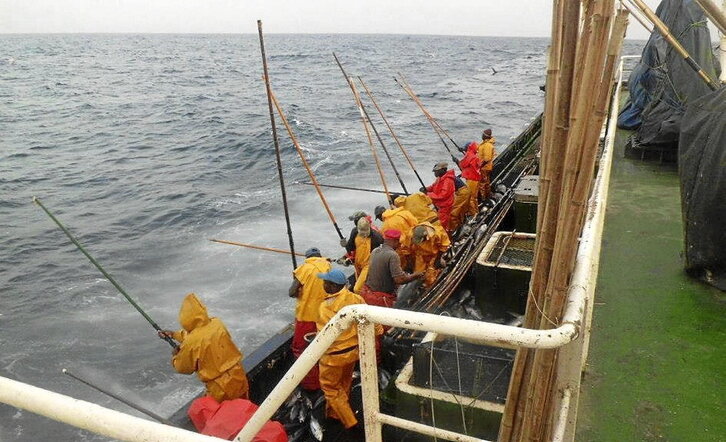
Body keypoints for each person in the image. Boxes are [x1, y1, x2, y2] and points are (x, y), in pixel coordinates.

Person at [316, 269, 380, 430]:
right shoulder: (356, 298)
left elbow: (323, 336)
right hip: (353, 352)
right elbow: (372, 321)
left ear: (332, 286)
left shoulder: (325, 307)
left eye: (325, 282)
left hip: (333, 358)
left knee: (330, 388)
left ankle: (350, 422)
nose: (323, 284)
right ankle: (334, 413)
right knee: (344, 382)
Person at [159, 293, 249, 402]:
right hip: (238, 375)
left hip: (220, 387)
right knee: (243, 406)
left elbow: (183, 368)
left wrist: (175, 356)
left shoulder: (191, 342)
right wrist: (174, 335)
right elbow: (201, 337)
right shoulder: (216, 323)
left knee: (224, 413)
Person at [288, 247, 331, 390]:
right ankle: (326, 380)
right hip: (325, 315)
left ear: (307, 258)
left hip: (307, 316)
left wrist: (297, 283)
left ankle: (311, 385)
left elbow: (291, 292)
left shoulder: (304, 269)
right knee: (323, 348)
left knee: (301, 349)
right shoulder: (327, 266)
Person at [361, 229, 423, 308]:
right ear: (394, 241)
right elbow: (400, 280)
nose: (399, 244)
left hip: (367, 293)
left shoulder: (375, 250)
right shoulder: (392, 255)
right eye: (398, 241)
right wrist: (416, 275)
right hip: (380, 299)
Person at [400, 222, 451, 287]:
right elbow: (406, 249)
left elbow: (444, 246)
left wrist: (437, 260)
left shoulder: (438, 233)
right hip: (420, 256)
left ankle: (431, 285)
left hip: (433, 256)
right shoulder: (410, 234)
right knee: (418, 275)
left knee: (431, 277)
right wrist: (409, 263)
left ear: (426, 237)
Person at [421, 162, 456, 231]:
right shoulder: (440, 178)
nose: (435, 173)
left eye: (436, 171)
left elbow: (442, 195)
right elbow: (433, 186)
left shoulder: (448, 181)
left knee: (441, 225)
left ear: (443, 170)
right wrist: (426, 189)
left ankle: (444, 238)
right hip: (439, 205)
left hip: (445, 206)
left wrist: (428, 194)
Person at [454, 141, 482, 216]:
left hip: (471, 180)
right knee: (474, 197)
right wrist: (462, 150)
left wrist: (456, 161)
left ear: (468, 148)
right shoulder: (474, 155)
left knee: (470, 198)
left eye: (465, 148)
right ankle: (476, 211)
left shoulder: (469, 156)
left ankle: (474, 215)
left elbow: (462, 165)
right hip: (476, 179)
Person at [478, 129, 497, 200]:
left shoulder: (487, 145)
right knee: (486, 182)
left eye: (482, 134)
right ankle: (488, 196)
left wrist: (480, 166)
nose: (481, 135)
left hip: (484, 168)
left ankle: (483, 198)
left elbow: (487, 159)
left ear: (485, 136)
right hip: (486, 167)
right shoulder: (485, 144)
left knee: (482, 183)